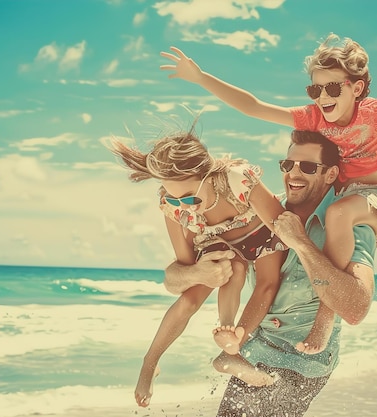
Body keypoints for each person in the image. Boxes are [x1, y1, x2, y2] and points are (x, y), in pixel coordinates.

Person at [160, 31, 377, 354]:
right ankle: (249, 340)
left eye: (332, 87)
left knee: (338, 215)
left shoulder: (376, 112)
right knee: (325, 217)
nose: (322, 96)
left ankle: (324, 322)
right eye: (315, 88)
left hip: (370, 193)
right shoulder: (312, 119)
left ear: (356, 88)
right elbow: (254, 107)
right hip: (342, 191)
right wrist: (201, 78)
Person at [164, 129, 377, 417]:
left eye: (308, 167)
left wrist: (300, 242)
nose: (294, 173)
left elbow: (355, 308)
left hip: (303, 361)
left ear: (330, 174)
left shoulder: (351, 223)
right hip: (254, 351)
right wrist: (196, 273)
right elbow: (174, 279)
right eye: (288, 165)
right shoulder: (261, 208)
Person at [109, 123, 288, 407]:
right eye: (173, 197)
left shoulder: (236, 179)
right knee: (207, 286)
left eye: (190, 197)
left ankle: (232, 347)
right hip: (216, 241)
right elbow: (183, 267)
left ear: (207, 175)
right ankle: (150, 361)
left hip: (259, 233)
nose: (185, 206)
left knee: (268, 282)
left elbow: (282, 223)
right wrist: (199, 272)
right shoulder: (174, 206)